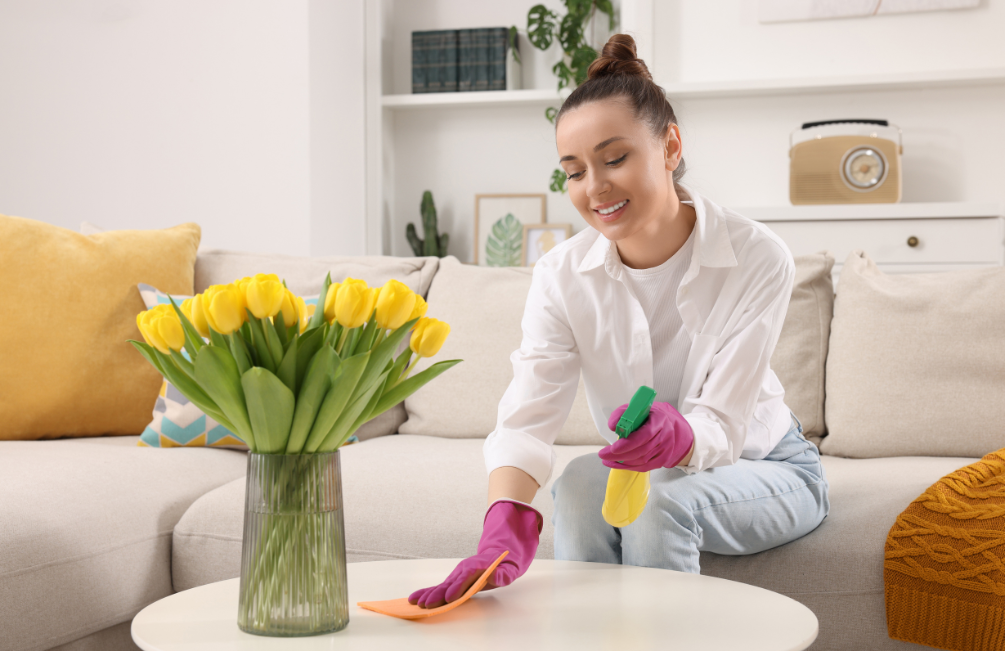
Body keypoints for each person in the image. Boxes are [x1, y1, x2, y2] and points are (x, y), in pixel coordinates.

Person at [408, 33, 830, 609]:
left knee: (661, 500)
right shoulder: (562, 273)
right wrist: (503, 520)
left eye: (615, 158)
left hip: (768, 465)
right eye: (574, 171)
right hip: (647, 475)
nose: (595, 187)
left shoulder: (756, 257)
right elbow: (528, 417)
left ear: (670, 145)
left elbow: (723, 426)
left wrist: (679, 435)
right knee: (579, 482)